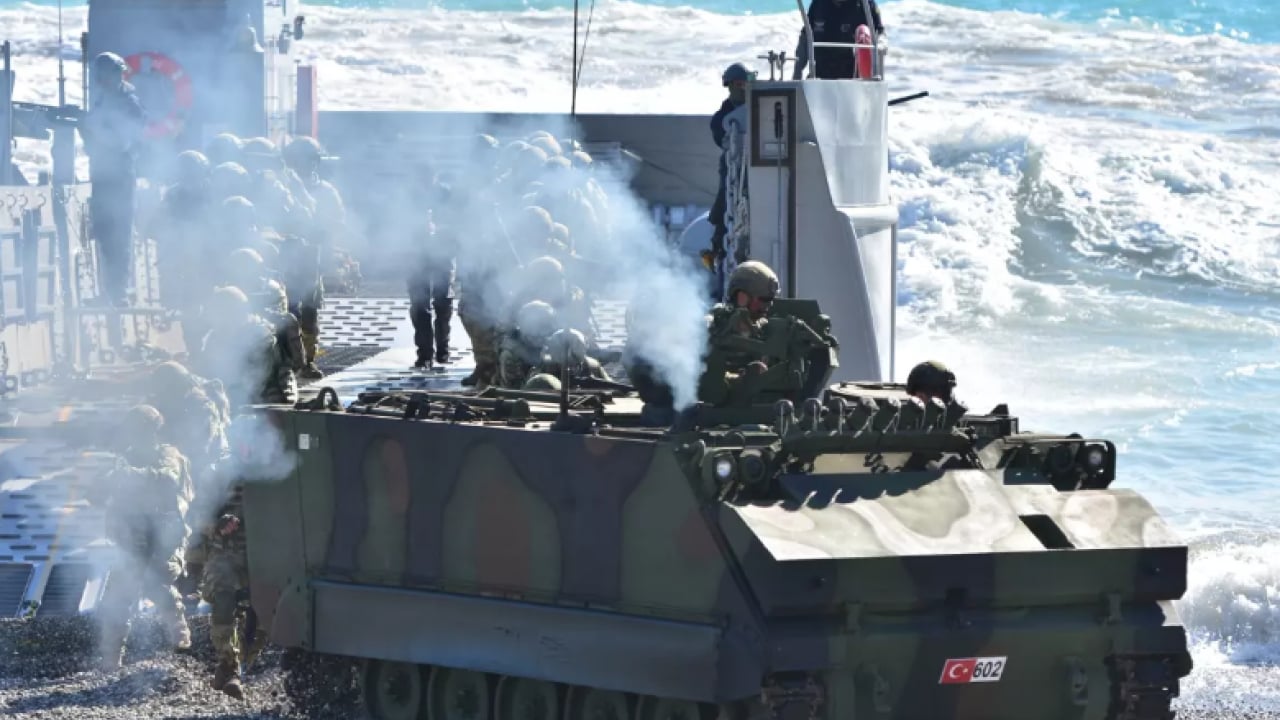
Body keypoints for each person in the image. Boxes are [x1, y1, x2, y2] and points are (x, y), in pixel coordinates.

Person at [94, 405, 194, 671]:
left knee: (157, 584)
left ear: (152, 432)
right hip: (132, 537)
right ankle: (110, 661)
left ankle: (181, 639)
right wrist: (105, 482)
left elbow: (167, 480)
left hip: (163, 536)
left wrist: (129, 476)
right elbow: (96, 493)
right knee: (117, 596)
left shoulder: (168, 455)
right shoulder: (125, 458)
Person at [81, 52, 146, 306]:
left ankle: (117, 294)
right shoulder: (102, 102)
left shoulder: (130, 105)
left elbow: (121, 142)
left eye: (109, 74)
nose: (105, 80)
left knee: (119, 236)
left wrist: (94, 126)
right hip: (102, 176)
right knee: (104, 233)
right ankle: (108, 293)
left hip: (119, 178)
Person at [708, 63, 752, 277]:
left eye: (745, 84)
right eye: (737, 84)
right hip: (733, 170)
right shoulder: (721, 118)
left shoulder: (759, 109)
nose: (742, 88)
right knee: (724, 210)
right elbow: (720, 137)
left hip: (754, 173)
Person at [408, 208, 455, 369]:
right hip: (416, 253)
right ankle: (425, 353)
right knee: (420, 306)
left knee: (443, 305)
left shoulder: (445, 192)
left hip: (442, 252)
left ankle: (443, 351)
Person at [792, 0, 885, 80]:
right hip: (820, 80)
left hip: (855, 83)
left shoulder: (866, 5)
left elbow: (880, 35)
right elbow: (805, 38)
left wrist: (880, 47)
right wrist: (797, 73)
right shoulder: (818, 4)